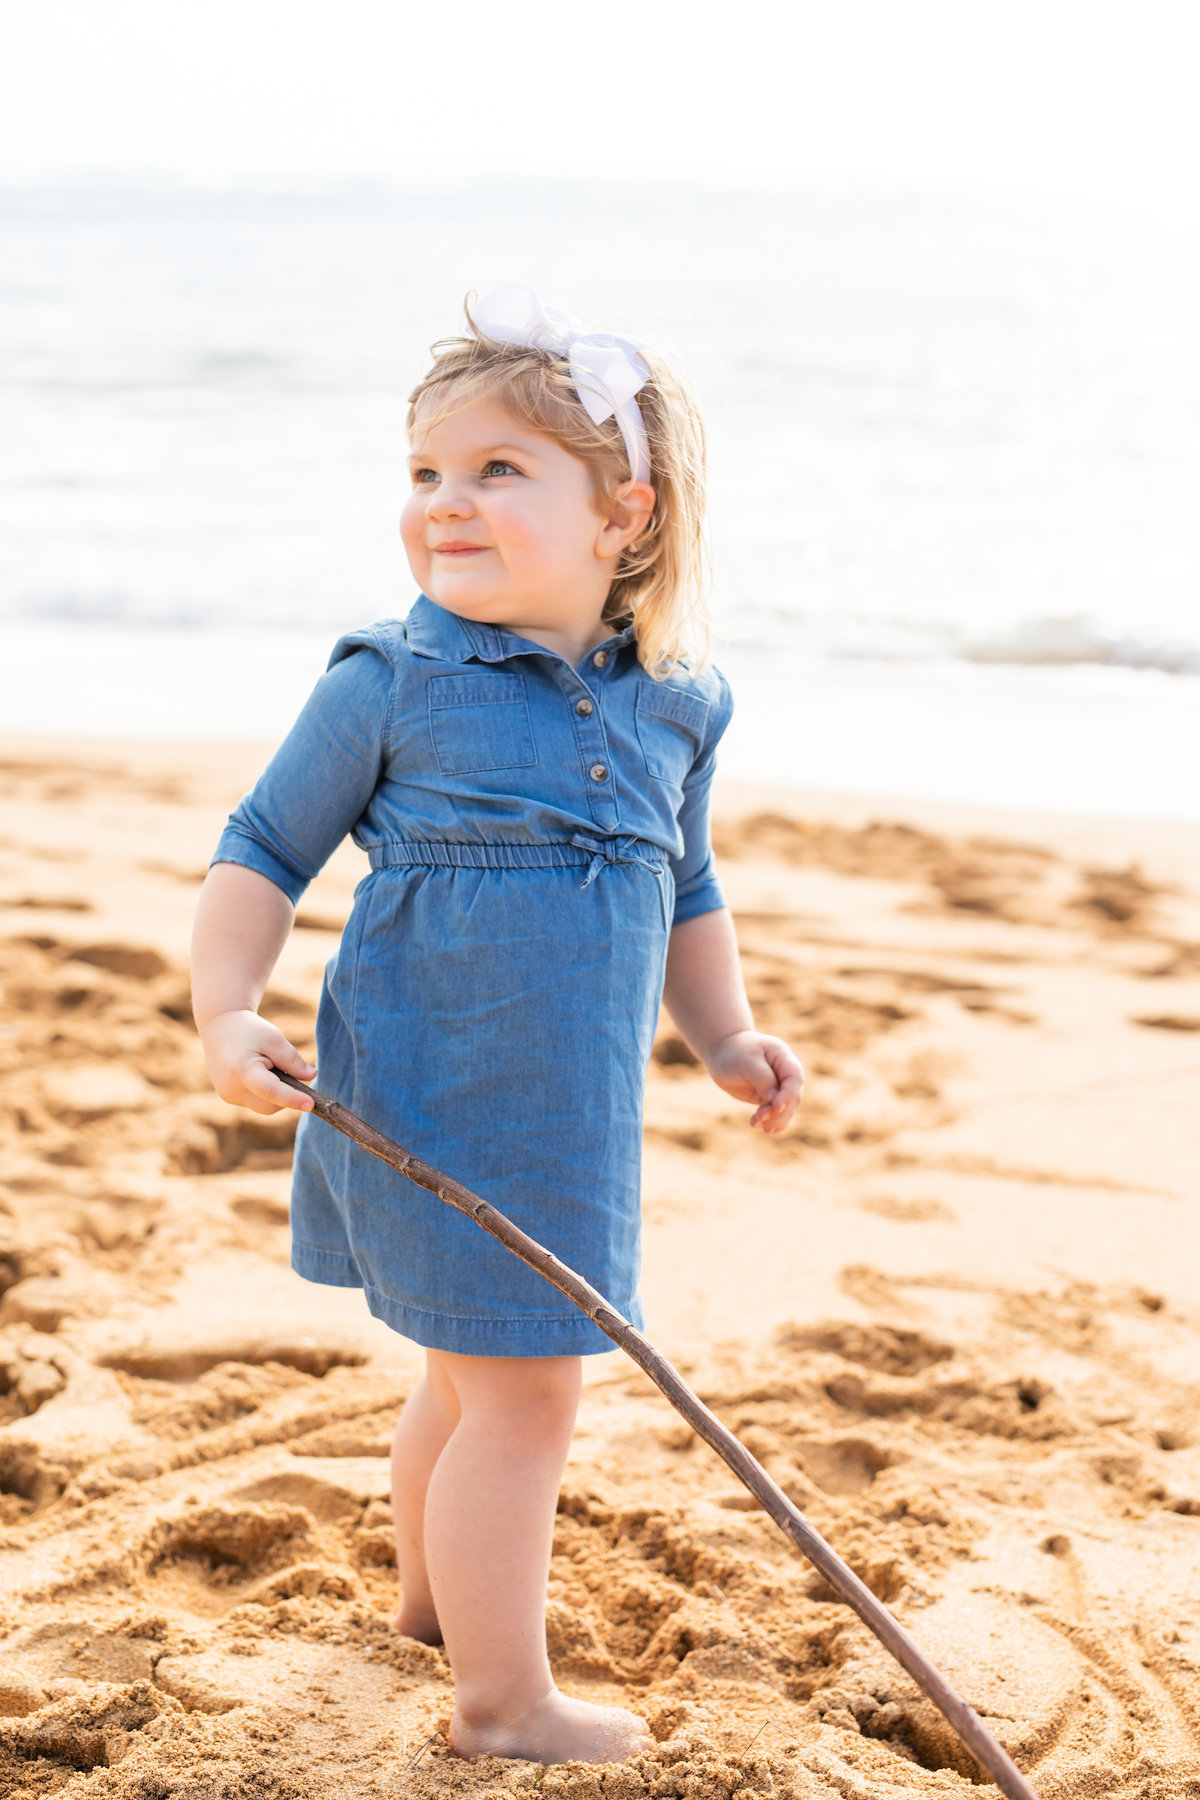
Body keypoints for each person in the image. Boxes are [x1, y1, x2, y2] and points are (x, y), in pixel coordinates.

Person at [190, 284, 804, 1767]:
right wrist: (226, 1010)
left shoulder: (678, 703)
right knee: (526, 1394)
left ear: (625, 518)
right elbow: (261, 849)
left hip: (568, 1111)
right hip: (427, 1095)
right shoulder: (394, 678)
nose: (443, 504)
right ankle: (502, 1703)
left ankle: (428, 1604)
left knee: (469, 1379)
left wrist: (722, 1037)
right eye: (424, 474)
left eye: (495, 471)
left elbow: (690, 882)